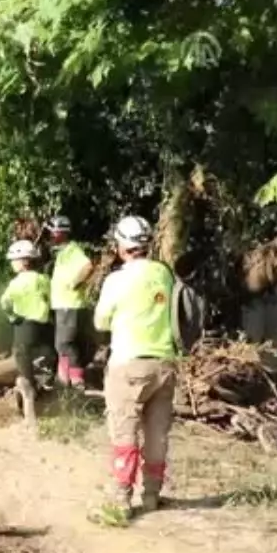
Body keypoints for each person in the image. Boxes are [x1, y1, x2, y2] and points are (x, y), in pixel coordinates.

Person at [92, 215, 179, 520]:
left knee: (124, 430)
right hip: (165, 364)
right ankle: (153, 495)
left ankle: (120, 500)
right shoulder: (164, 274)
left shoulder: (117, 280)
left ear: (121, 246)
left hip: (128, 364)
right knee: (157, 434)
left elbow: (100, 321)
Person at [0, 239, 54, 427]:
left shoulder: (17, 283)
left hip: (24, 326)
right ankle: (44, 389)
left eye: (13, 260)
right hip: (44, 327)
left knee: (23, 362)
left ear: (23, 261)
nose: (12, 264)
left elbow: (4, 302)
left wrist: (12, 317)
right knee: (45, 358)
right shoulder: (44, 279)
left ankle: (29, 403)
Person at [46, 215, 95, 387]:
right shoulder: (62, 253)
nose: (49, 236)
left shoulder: (73, 251)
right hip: (63, 305)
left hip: (70, 305)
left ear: (60, 232)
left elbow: (88, 266)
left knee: (65, 344)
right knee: (61, 345)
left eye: (51, 232)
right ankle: (63, 380)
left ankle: (76, 380)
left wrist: (75, 283)